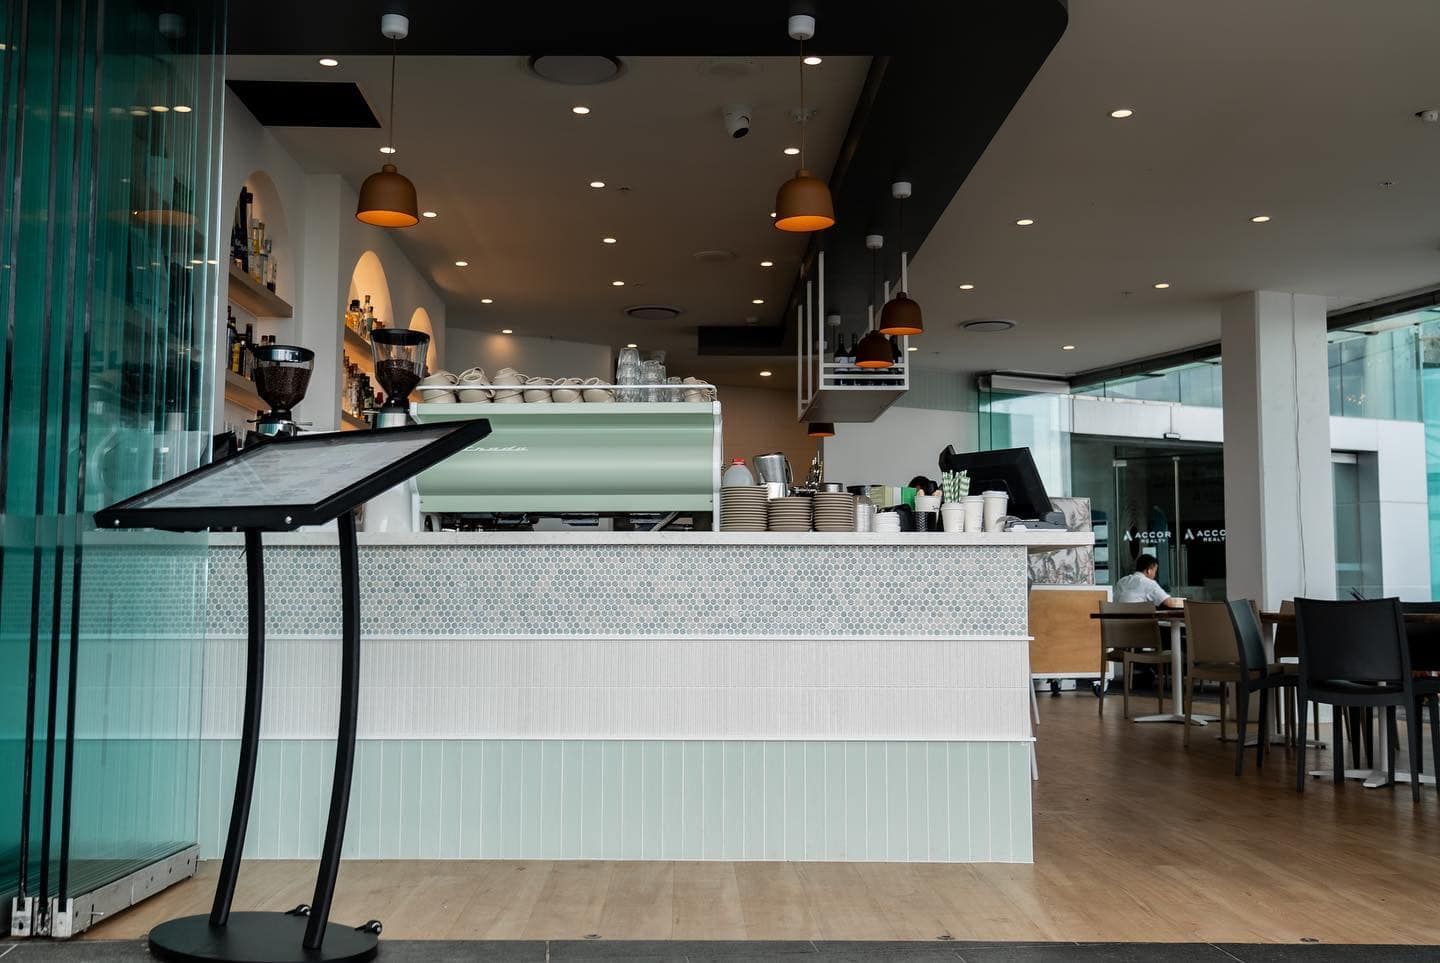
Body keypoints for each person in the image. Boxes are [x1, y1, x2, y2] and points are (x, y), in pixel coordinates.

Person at [1114, 554, 1184, 608]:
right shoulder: (1149, 583)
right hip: (1139, 624)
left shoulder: (1122, 581)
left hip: (1117, 624)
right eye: (1155, 571)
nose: (1155, 575)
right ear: (1149, 571)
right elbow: (1169, 603)